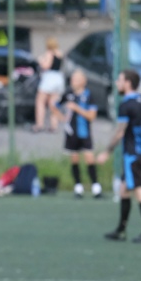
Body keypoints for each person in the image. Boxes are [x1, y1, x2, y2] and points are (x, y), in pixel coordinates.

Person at [97, 69, 141, 243]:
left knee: (139, 191)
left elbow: (120, 133)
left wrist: (106, 152)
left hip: (132, 156)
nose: (117, 83)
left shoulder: (126, 105)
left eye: (120, 80)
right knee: (124, 189)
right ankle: (121, 230)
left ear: (128, 83)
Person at [52, 70, 102, 198]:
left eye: (76, 79)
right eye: (72, 79)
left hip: (84, 132)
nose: (73, 82)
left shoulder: (89, 95)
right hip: (71, 132)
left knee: (89, 158)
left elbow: (92, 116)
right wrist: (61, 117)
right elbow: (54, 106)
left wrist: (77, 108)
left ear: (83, 81)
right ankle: (78, 187)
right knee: (74, 159)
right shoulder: (68, 94)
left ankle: (96, 187)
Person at [33, 37, 64, 133]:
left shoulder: (49, 53)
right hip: (58, 78)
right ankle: (54, 125)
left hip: (49, 78)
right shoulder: (59, 53)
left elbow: (46, 66)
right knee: (53, 103)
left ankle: (39, 124)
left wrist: (40, 61)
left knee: (40, 102)